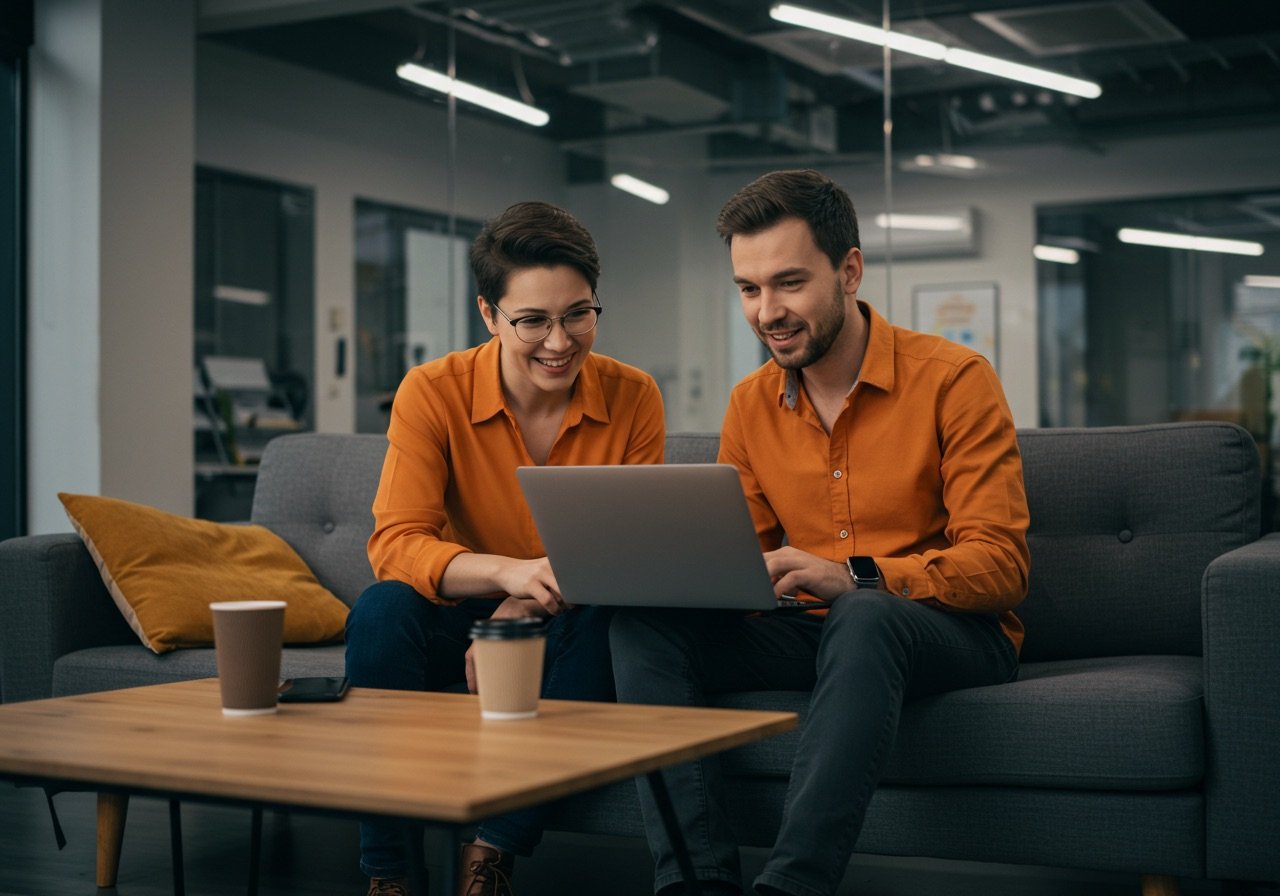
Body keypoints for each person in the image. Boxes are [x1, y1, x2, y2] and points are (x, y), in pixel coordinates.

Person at [610, 169, 1030, 896]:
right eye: (748, 289)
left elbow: (999, 566)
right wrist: (685, 579)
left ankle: (792, 887)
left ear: (850, 270)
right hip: (810, 629)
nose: (766, 311)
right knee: (641, 624)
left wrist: (859, 575)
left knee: (864, 612)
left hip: (945, 630)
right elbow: (744, 561)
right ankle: (692, 883)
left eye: (789, 283)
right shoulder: (749, 405)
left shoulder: (955, 380)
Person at [346, 201, 666, 896]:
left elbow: (627, 553)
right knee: (379, 609)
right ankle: (388, 873)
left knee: (616, 622)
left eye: (578, 313)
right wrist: (506, 575)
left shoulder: (634, 395)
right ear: (489, 314)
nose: (560, 341)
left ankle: (490, 856)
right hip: (454, 613)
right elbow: (396, 545)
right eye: (533, 321)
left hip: (567, 620)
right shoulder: (433, 391)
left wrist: (526, 602)